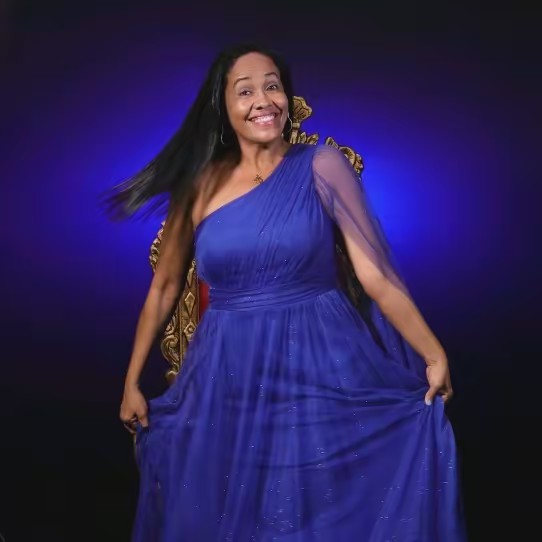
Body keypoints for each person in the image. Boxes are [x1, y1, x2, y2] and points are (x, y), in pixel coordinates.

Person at [104, 43, 467, 541]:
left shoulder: (322, 166)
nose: (263, 100)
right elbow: (165, 287)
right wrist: (130, 381)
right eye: (245, 91)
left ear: (288, 97)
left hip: (320, 364)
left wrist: (433, 353)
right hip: (229, 374)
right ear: (223, 106)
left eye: (272, 86)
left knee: (316, 505)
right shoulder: (199, 186)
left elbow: (376, 276)